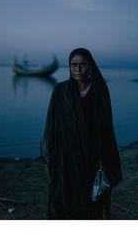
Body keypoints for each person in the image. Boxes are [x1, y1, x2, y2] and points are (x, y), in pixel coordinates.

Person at [40, 48, 122, 220]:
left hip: (92, 158)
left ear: (90, 66)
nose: (77, 69)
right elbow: (51, 126)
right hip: (65, 158)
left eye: (82, 65)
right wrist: (49, 157)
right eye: (73, 65)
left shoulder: (99, 91)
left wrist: (103, 160)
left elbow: (106, 128)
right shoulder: (61, 91)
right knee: (64, 201)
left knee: (91, 202)